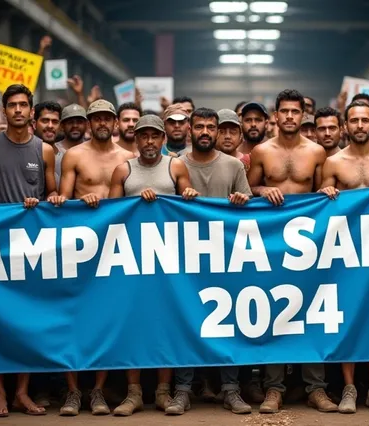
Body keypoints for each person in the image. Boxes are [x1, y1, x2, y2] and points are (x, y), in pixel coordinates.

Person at [247, 89, 335, 414]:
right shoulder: (261, 151)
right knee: (274, 313)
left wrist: (327, 191)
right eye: (283, 111)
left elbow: (323, 194)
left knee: (312, 313)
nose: (289, 117)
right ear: (275, 115)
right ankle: (274, 389)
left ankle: (316, 388)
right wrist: (262, 189)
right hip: (270, 244)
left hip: (308, 244)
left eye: (295, 112)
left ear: (302, 116)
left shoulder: (316, 152)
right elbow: (246, 191)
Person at [107, 114, 198, 416]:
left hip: (168, 262)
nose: (149, 141)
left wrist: (185, 196)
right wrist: (134, 205)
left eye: (154, 136)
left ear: (162, 139)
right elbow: (110, 215)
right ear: (135, 139)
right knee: (132, 324)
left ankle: (163, 391)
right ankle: (134, 393)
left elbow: (189, 205)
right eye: (143, 136)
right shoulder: (123, 170)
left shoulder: (176, 166)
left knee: (167, 324)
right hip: (130, 262)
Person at [51, 100, 136, 416]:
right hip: (79, 246)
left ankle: (98, 390)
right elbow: (62, 199)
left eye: (106, 118)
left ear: (115, 122)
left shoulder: (129, 157)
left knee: (107, 318)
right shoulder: (74, 155)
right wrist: (73, 200)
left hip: (114, 248)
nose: (101, 122)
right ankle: (73, 391)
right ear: (88, 122)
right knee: (72, 317)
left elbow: (133, 203)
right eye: (96, 117)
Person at [168, 108, 252, 416]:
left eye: (211, 127)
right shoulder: (176, 165)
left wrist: (244, 201)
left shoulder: (233, 165)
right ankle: (182, 391)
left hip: (226, 257)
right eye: (200, 126)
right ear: (189, 130)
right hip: (185, 259)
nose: (205, 131)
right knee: (185, 322)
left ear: (218, 132)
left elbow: (250, 209)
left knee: (228, 323)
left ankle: (231, 390)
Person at [0, 84, 56, 417]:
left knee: (28, 322)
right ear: (3, 110)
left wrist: (44, 201)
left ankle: (21, 393)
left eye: (24, 105)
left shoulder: (46, 150)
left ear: (32, 110)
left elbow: (54, 196)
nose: (18, 110)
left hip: (33, 247)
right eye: (12, 105)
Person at [318, 100, 369, 414]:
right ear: (345, 126)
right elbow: (321, 207)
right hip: (344, 251)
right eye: (355, 121)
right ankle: (349, 387)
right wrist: (325, 192)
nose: (361, 125)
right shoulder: (334, 162)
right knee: (346, 316)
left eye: (366, 120)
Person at [33, 101, 63, 185]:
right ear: (34, 124)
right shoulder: (24, 154)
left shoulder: (67, 156)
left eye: (55, 122)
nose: (50, 126)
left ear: (60, 126)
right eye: (45, 121)